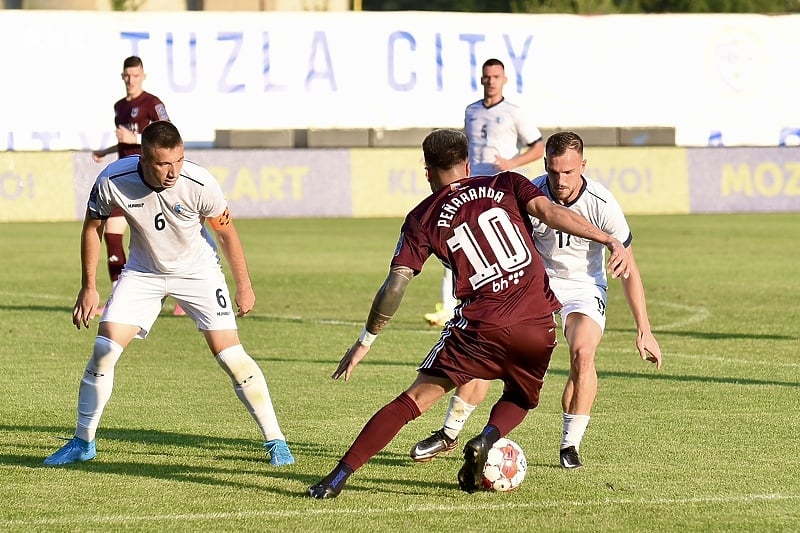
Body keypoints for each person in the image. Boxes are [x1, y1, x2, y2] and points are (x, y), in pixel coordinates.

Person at [306, 129, 630, 499]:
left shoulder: (421, 218)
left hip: (480, 327)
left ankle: (336, 478)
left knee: (412, 402)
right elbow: (552, 212)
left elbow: (395, 286)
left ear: (427, 172)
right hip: (537, 320)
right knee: (521, 399)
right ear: (468, 164)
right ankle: (486, 437)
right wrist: (607, 238)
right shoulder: (507, 183)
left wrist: (366, 340)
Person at [44, 121, 295, 467]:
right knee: (103, 350)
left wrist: (245, 285)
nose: (172, 171)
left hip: (198, 271)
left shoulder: (200, 183)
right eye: (163, 164)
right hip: (144, 272)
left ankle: (276, 441)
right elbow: (93, 228)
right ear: (144, 160)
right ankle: (83, 442)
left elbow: (227, 234)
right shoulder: (113, 180)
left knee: (232, 358)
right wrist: (89, 287)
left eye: (178, 160)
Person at [410, 131, 663, 469]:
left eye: (569, 172)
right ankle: (449, 433)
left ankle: (569, 445)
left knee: (583, 353)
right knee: (491, 349)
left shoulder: (603, 205)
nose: (561, 180)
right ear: (545, 165)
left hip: (584, 287)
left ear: (583, 166)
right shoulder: (529, 193)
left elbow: (629, 268)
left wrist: (643, 329)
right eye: (554, 171)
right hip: (534, 283)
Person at [424, 58, 544, 327]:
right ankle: (448, 306)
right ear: (481, 79)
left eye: (496, 76)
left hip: (498, 191)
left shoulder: (514, 112)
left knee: (509, 245)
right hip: (469, 189)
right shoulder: (471, 111)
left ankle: (521, 300)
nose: (491, 81)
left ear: (504, 80)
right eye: (487, 76)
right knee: (456, 242)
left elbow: (538, 146)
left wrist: (512, 164)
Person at [91, 56, 184, 316]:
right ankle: (117, 299)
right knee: (112, 234)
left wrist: (136, 136)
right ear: (122, 77)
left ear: (143, 75)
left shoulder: (153, 104)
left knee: (166, 239)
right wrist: (107, 150)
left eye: (135, 75)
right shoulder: (120, 107)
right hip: (126, 181)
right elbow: (128, 144)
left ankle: (183, 295)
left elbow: (170, 134)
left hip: (151, 180)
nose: (131, 80)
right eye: (127, 75)